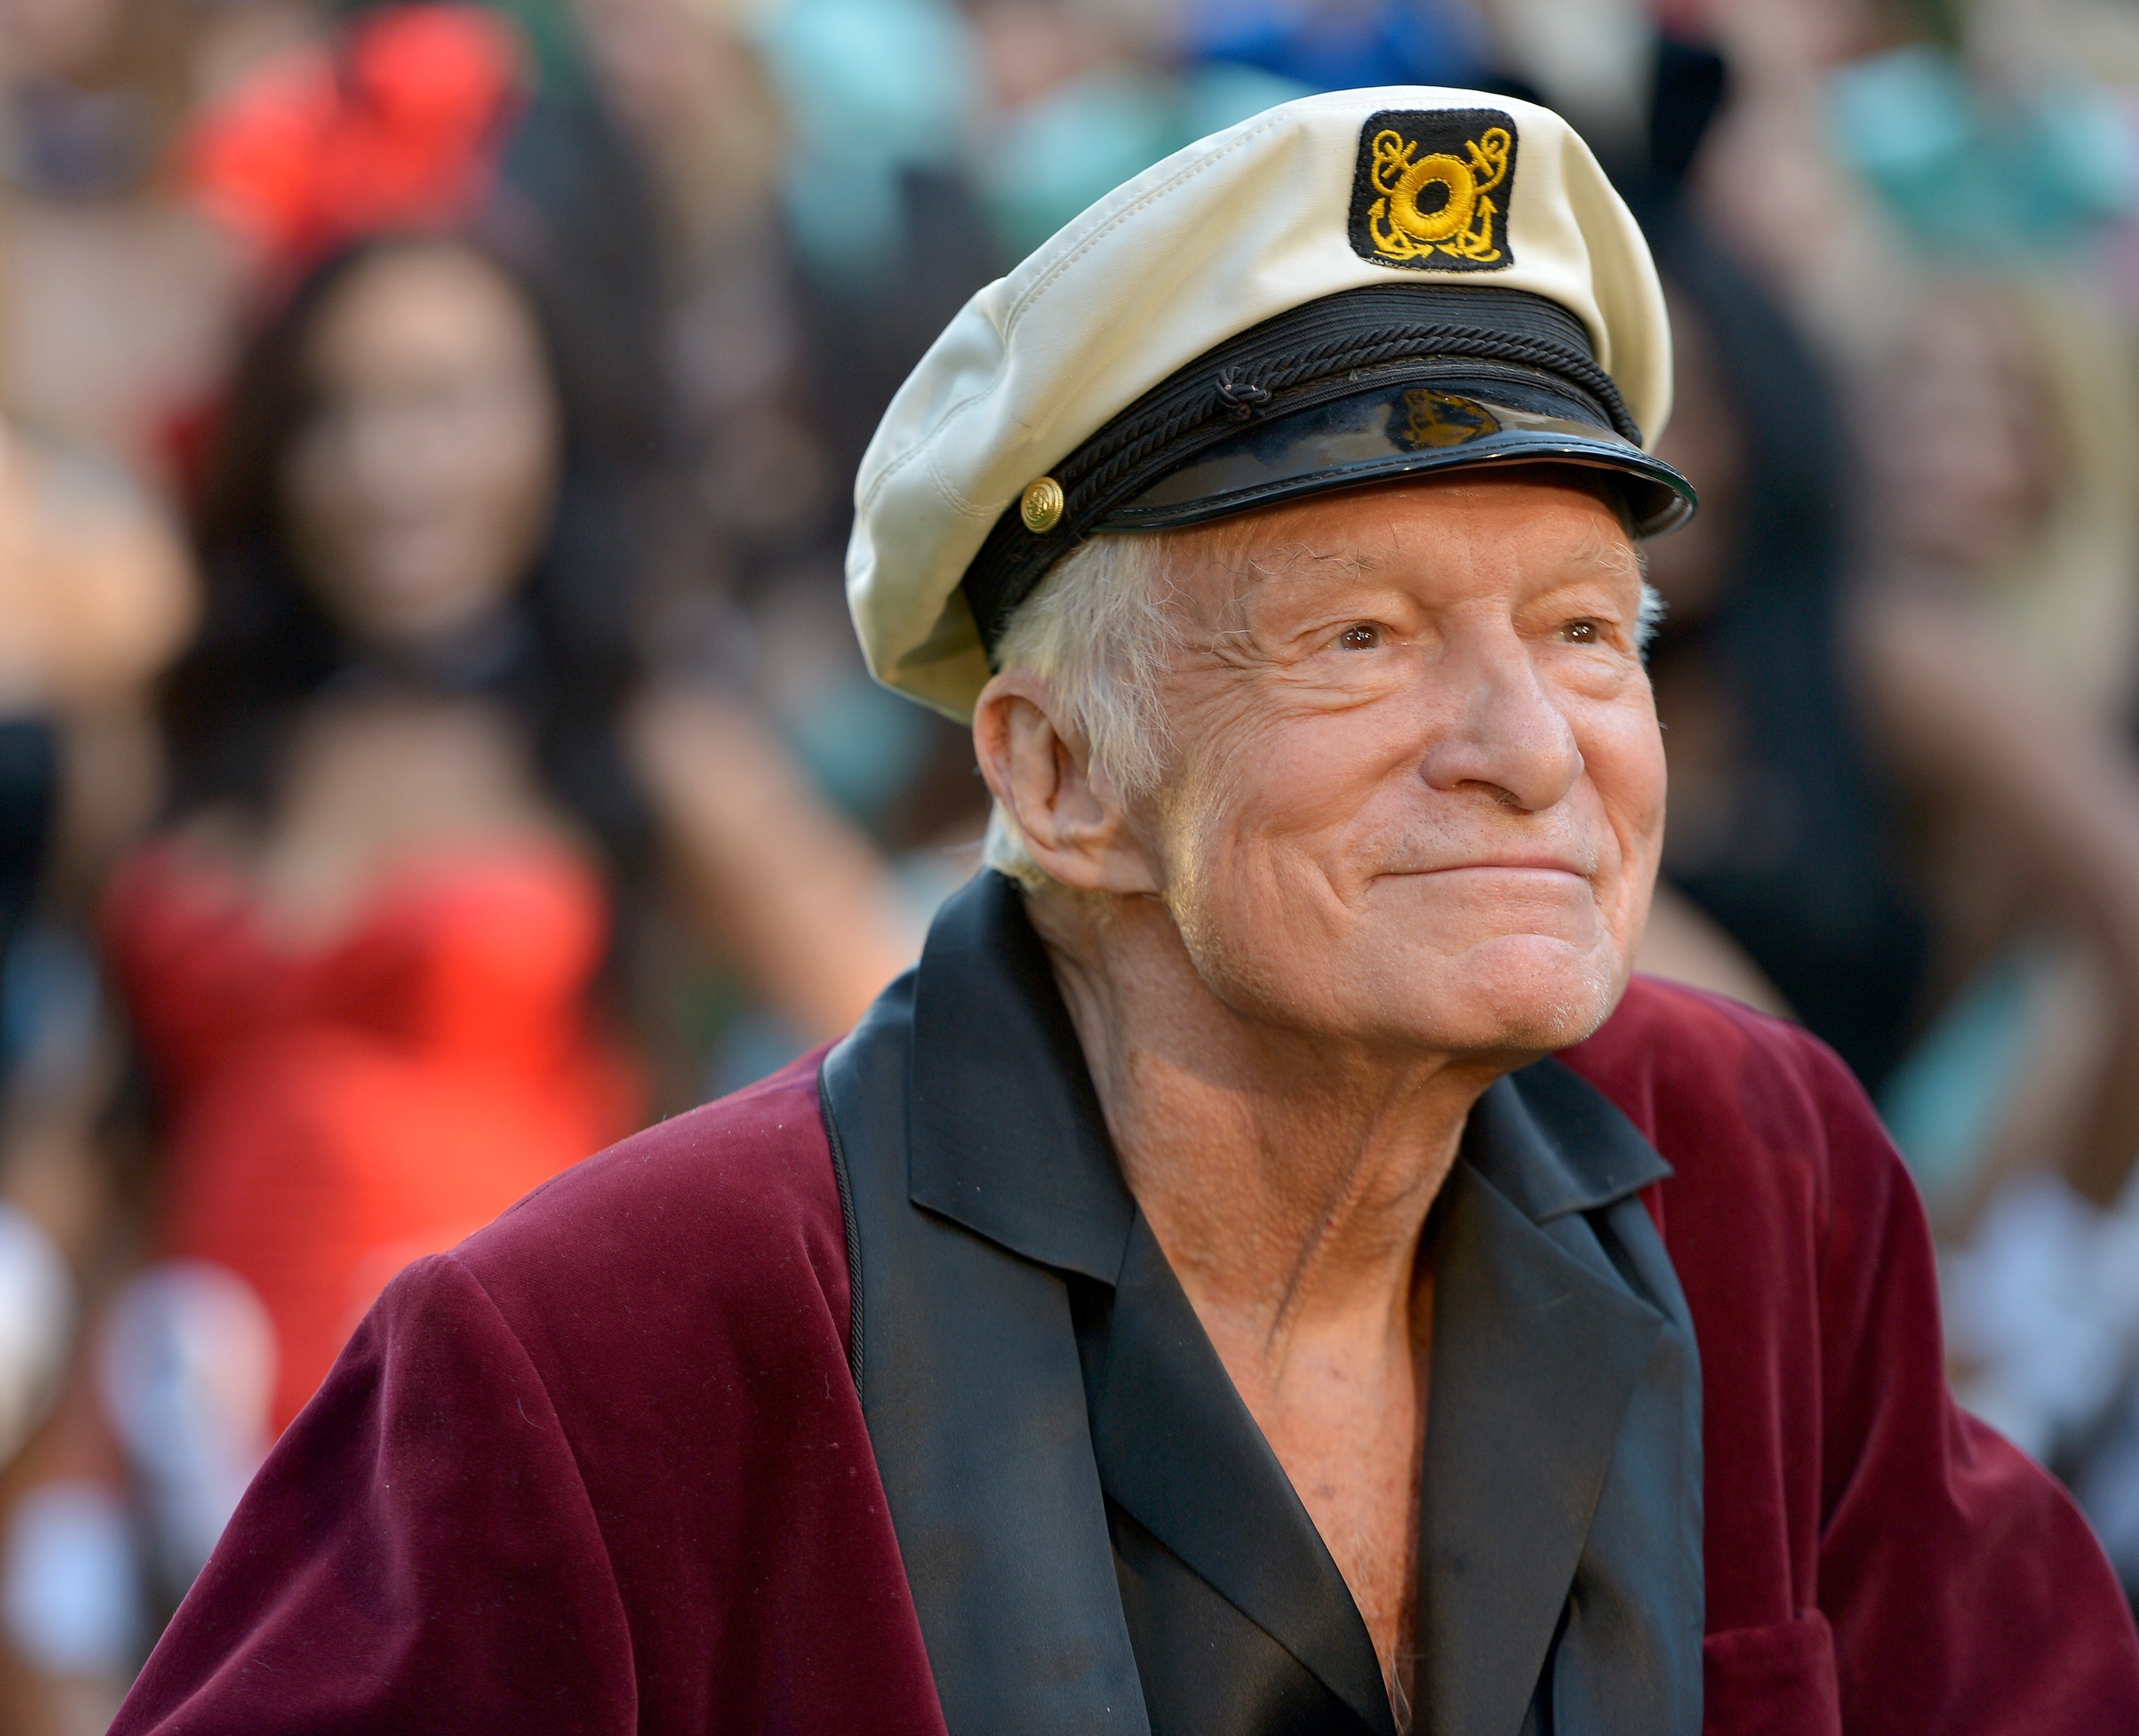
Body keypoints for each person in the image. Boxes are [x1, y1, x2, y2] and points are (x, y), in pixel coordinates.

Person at [110, 89, 2139, 1735]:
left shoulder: (1763, 1177)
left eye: (1590, 633)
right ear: (1052, 777)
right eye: (1363, 637)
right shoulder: (602, 1355)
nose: (1533, 746)